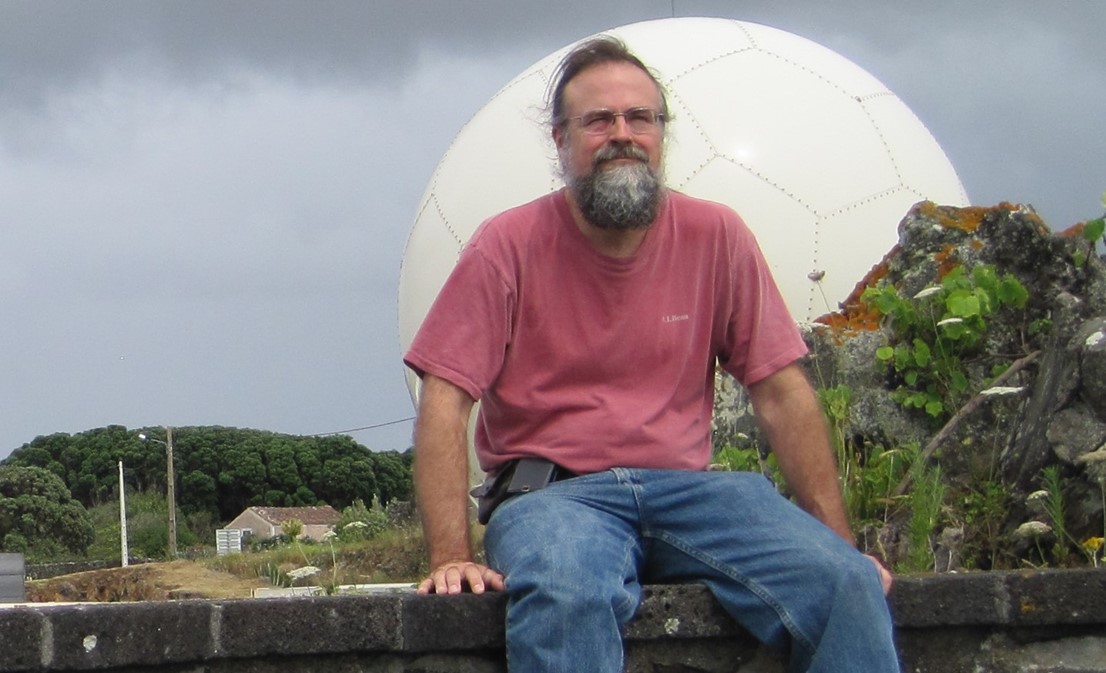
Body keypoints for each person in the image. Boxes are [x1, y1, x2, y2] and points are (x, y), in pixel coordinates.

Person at [404, 35, 900, 673]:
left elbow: (780, 391)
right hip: (555, 499)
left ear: (662, 132)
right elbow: (445, 399)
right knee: (565, 594)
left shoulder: (716, 235)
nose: (622, 134)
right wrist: (451, 555)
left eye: (640, 118)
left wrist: (836, 544)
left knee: (845, 583)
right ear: (561, 140)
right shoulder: (507, 244)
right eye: (599, 121)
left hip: (692, 494)